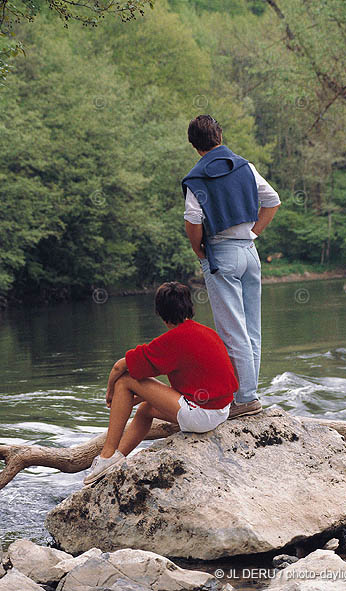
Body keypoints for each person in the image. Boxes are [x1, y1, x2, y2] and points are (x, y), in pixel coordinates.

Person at [84, 281, 238, 485]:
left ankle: (105, 455)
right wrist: (138, 398)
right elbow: (197, 380)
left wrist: (110, 393)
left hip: (202, 416)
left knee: (125, 381)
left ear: (160, 313)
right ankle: (116, 459)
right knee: (146, 410)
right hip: (222, 410)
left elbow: (118, 368)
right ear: (190, 307)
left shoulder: (173, 339)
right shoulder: (207, 332)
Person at [182, 115, 281, 420]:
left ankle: (246, 398)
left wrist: (199, 249)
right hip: (249, 252)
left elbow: (193, 221)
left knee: (232, 330)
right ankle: (249, 394)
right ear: (220, 136)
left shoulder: (196, 179)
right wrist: (254, 233)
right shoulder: (245, 167)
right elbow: (273, 200)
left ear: (194, 145)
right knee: (251, 327)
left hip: (221, 253)